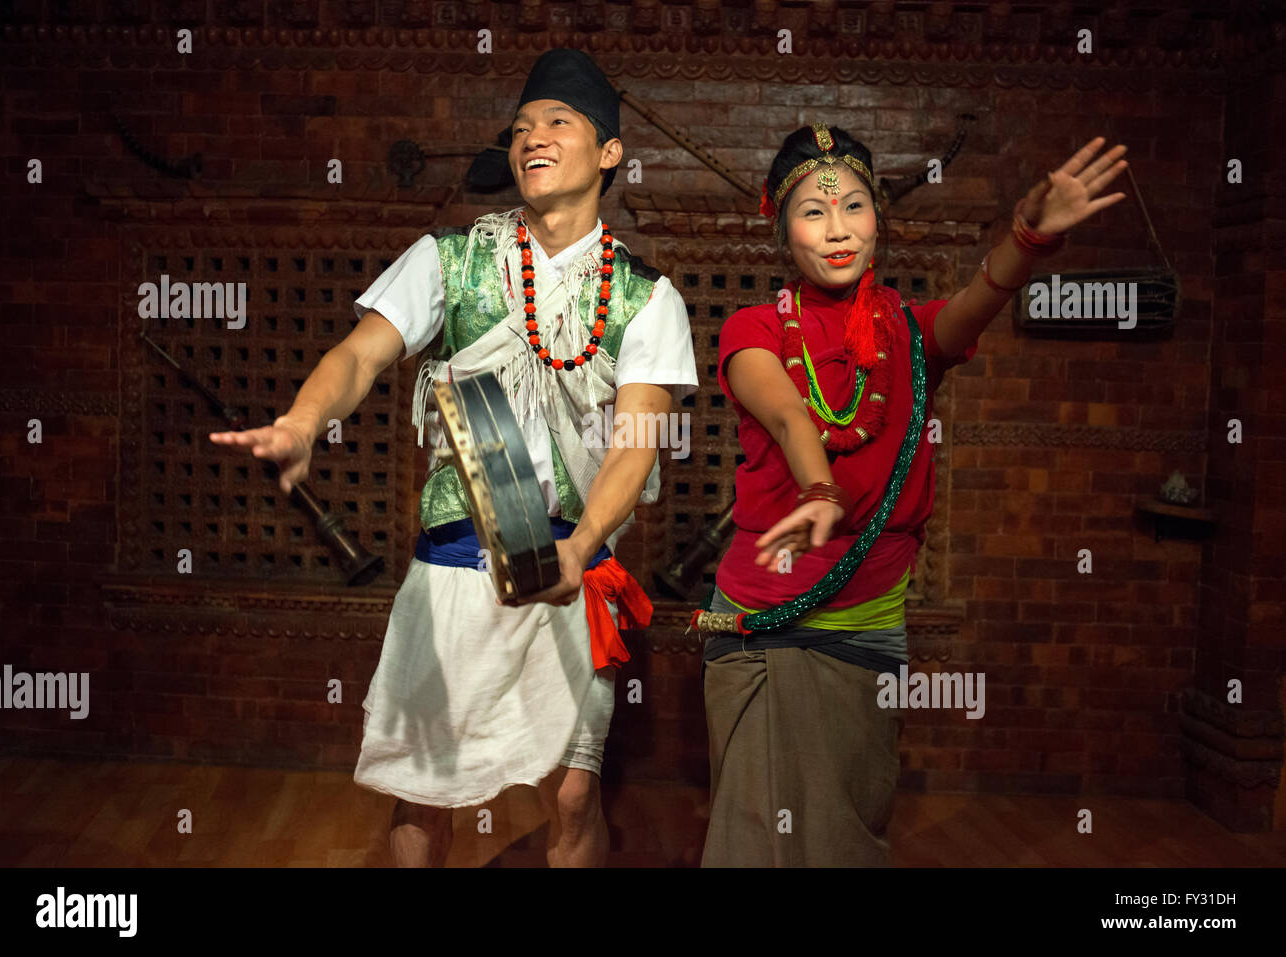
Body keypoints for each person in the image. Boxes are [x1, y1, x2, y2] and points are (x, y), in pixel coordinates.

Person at [210, 48, 698, 867]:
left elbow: (637, 441)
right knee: (425, 789)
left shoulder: (647, 296)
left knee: (574, 792)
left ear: (610, 151)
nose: (532, 138)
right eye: (520, 128)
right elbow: (360, 357)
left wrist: (578, 548)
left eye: (557, 122)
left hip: (570, 576)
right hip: (452, 570)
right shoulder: (451, 259)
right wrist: (301, 420)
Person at [691, 123, 1128, 866]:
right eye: (814, 211)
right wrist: (819, 486)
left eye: (855, 206)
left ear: (878, 221)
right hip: (761, 622)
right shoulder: (753, 328)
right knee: (753, 837)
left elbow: (980, 298)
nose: (838, 230)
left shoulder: (907, 332)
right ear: (781, 229)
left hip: (865, 624)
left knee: (846, 831)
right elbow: (788, 412)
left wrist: (1030, 236)